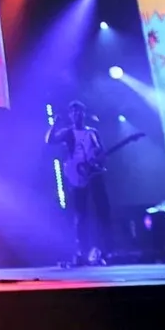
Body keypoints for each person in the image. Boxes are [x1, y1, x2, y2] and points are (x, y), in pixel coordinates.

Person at [46, 100, 111, 265]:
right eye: (73, 112)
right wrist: (55, 124)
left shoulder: (92, 132)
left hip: (94, 173)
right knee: (81, 214)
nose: (77, 114)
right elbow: (49, 140)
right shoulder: (68, 132)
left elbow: (102, 152)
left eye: (79, 111)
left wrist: (98, 159)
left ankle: (103, 250)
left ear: (84, 113)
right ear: (70, 115)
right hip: (76, 175)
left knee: (102, 212)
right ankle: (82, 251)